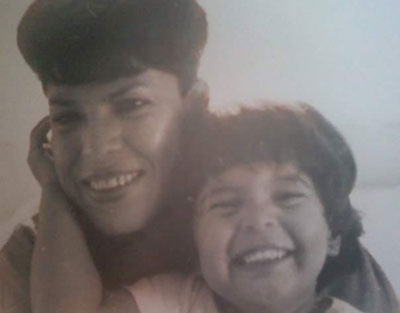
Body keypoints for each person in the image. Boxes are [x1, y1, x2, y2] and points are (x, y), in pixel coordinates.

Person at [0, 0, 397, 312]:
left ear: (195, 107)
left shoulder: (288, 238)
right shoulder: (34, 255)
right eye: (67, 117)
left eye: (132, 104)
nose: (96, 148)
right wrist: (53, 193)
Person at [30, 102, 399, 313]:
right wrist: (53, 187)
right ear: (195, 239)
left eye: (287, 197)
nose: (257, 220)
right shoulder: (177, 301)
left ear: (333, 233)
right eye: (226, 203)